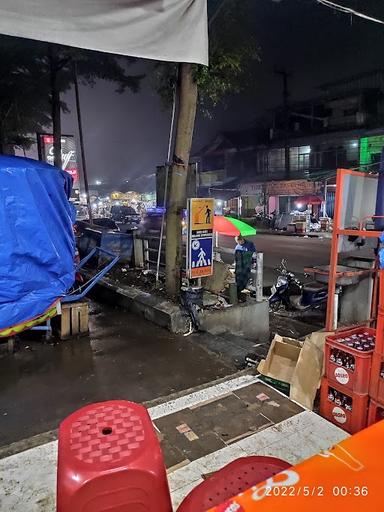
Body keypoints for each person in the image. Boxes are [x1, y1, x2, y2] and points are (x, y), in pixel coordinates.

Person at [234, 235, 256, 302]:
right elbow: (236, 258)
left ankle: (239, 295)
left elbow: (254, 255)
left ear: (242, 239)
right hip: (239, 268)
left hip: (246, 267)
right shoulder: (237, 247)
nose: (239, 243)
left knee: (244, 280)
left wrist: (254, 263)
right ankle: (238, 296)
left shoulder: (250, 245)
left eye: (239, 242)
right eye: (237, 242)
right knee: (237, 282)